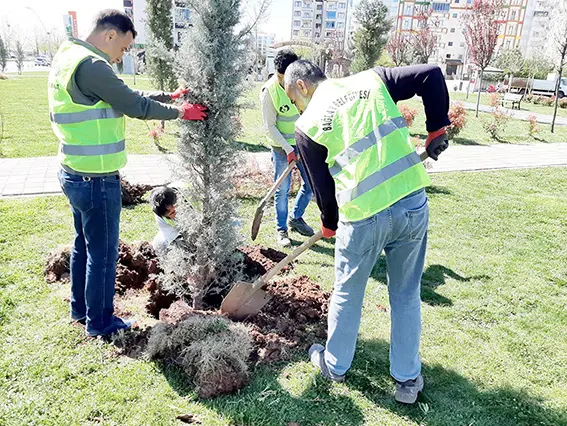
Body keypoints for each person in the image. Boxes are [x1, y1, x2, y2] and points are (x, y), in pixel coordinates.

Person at [284, 61, 449, 404]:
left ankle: (334, 365)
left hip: (363, 218)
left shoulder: (307, 125)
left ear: (301, 86)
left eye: (293, 99)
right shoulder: (372, 80)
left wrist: (329, 222)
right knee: (405, 294)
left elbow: (321, 187)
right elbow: (431, 74)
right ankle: (406, 381)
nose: (297, 107)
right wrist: (437, 129)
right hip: (411, 203)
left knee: (347, 293)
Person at [49, 9, 207, 337]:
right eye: (123, 48)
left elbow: (123, 96)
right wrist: (182, 112)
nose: (123, 56)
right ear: (110, 35)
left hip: (74, 172)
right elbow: (134, 106)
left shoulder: (69, 56)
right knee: (103, 255)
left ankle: (80, 309)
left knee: (84, 244)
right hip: (96, 179)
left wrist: (168, 97)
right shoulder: (92, 66)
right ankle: (101, 323)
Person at [260, 49, 314, 247]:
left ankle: (296, 218)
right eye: (283, 77)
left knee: (310, 185)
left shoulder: (301, 84)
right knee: (282, 190)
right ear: (277, 72)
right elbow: (269, 127)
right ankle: (281, 229)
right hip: (281, 147)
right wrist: (287, 148)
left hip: (302, 142)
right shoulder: (269, 91)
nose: (286, 81)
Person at [148, 186, 180, 254]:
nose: (177, 211)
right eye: (172, 213)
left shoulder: (176, 196)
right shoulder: (165, 226)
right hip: (165, 245)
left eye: (176, 206)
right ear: (164, 217)